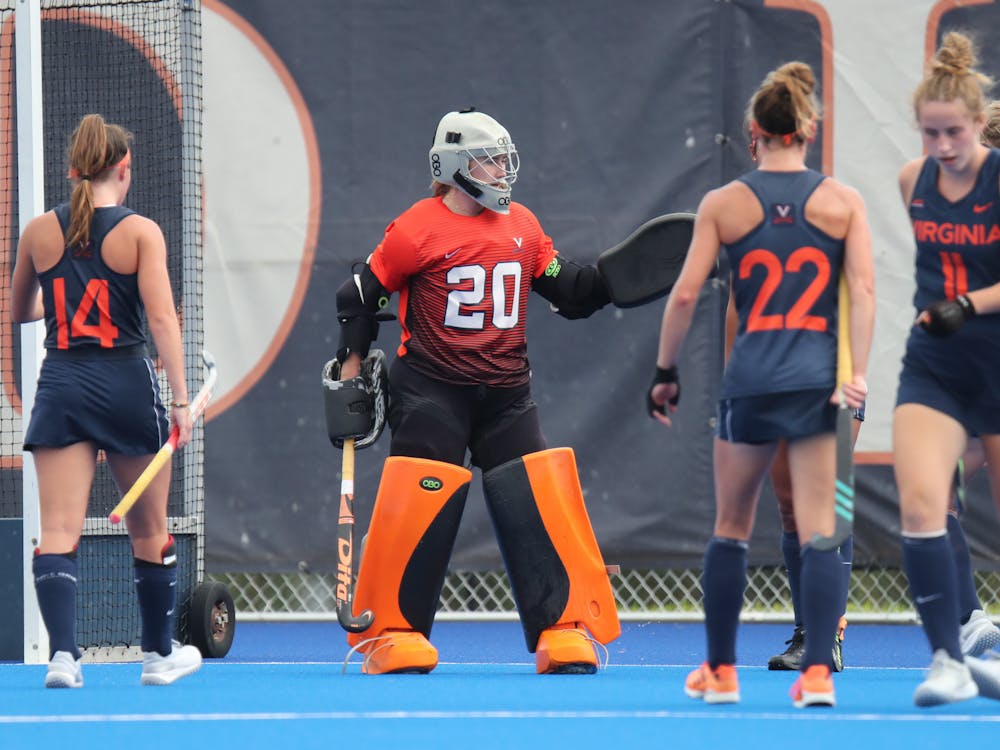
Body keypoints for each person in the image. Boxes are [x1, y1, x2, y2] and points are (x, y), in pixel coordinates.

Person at [331, 107, 620, 675]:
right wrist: (351, 371)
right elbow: (360, 295)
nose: (500, 171)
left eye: (502, 159)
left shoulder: (525, 227)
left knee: (537, 497)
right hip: (432, 389)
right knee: (420, 502)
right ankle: (392, 631)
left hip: (507, 394)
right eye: (488, 160)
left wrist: (621, 278)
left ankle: (561, 627)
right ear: (455, 165)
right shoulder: (418, 227)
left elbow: (571, 290)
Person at [649, 62, 875, 707]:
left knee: (730, 527)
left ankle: (720, 672)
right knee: (821, 527)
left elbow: (688, 294)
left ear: (755, 130)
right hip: (818, 384)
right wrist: (855, 375)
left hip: (750, 382)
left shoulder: (724, 205)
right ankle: (818, 678)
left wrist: (666, 372)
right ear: (808, 127)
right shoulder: (842, 203)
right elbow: (862, 290)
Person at [10, 114, 202, 688]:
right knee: (149, 529)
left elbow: (21, 310)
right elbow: (163, 319)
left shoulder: (38, 231)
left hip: (63, 384)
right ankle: (156, 656)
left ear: (72, 170)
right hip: (124, 382)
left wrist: (65, 307)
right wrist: (182, 401)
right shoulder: (142, 232)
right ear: (125, 169)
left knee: (58, 529)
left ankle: (64, 659)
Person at [894, 33, 1000, 707]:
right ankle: (948, 661)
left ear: (980, 123)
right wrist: (946, 314)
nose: (941, 146)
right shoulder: (913, 180)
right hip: (935, 366)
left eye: (953, 132)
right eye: (930, 133)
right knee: (921, 506)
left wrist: (969, 304)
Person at [724, 298, 857, 673]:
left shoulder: (840, 238)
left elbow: (860, 294)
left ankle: (828, 633)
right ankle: (806, 631)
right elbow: (737, 303)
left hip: (833, 371)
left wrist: (853, 370)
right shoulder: (748, 239)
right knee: (790, 507)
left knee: (828, 493)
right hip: (774, 376)